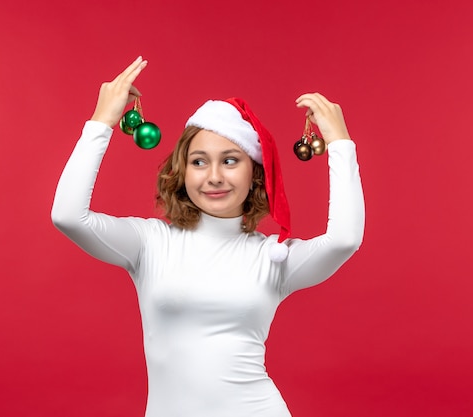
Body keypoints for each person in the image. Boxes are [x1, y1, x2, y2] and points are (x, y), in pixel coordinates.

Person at [51, 56, 364, 417]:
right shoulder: (149, 243)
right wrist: (101, 123)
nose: (214, 176)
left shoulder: (274, 257)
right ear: (182, 172)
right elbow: (67, 216)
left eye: (230, 160)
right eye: (199, 162)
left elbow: (344, 239)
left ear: (255, 174)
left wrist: (340, 144)